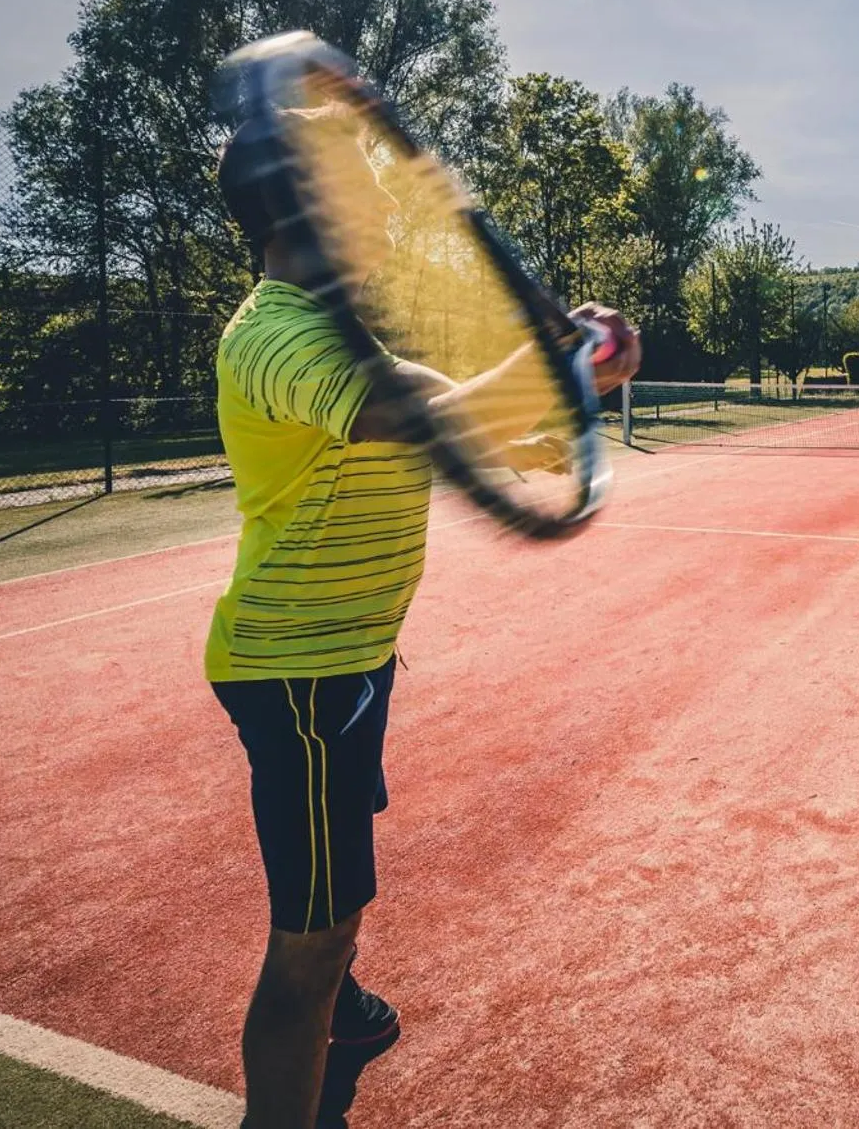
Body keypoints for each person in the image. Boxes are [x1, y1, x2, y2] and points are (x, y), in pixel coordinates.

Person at [209, 114, 638, 1129]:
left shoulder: (344, 333)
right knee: (310, 935)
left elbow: (492, 428)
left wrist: (583, 381)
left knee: (344, 857)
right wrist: (560, 361)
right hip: (298, 675)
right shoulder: (273, 334)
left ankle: (342, 1008)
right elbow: (410, 413)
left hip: (354, 656)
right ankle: (308, 1037)